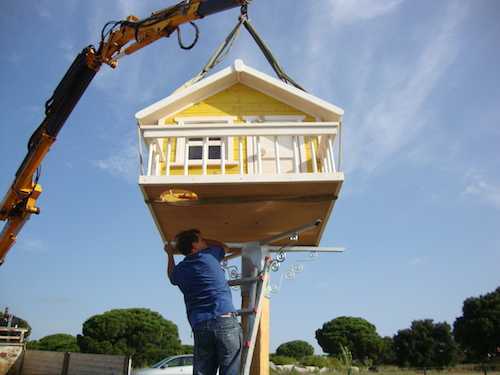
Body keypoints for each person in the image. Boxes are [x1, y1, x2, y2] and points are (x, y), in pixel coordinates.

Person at [164, 229, 242, 375]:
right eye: (200, 240)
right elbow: (223, 246)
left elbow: (171, 276)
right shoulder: (209, 255)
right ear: (194, 246)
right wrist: (205, 239)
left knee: (204, 371)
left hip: (200, 325)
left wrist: (170, 254)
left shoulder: (181, 270)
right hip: (224, 319)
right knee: (230, 370)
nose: (204, 242)